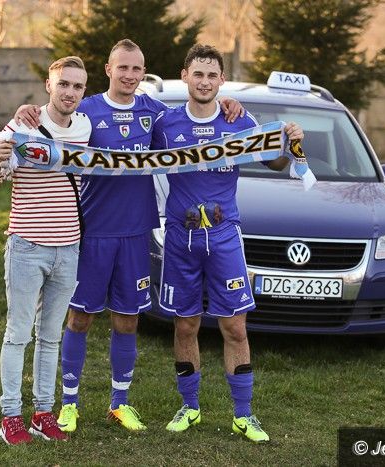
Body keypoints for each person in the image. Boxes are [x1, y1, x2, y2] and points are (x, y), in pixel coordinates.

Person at [14, 39, 244, 432]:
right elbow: (53, 120)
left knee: (127, 320)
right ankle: (69, 404)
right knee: (80, 318)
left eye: (137, 69)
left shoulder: (155, 113)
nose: (130, 75)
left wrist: (229, 104)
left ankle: (120, 402)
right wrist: (27, 111)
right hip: (92, 231)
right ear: (108, 70)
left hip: (137, 232)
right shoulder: (86, 110)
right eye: (123, 68)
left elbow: (192, 119)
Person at [150, 44, 303, 443]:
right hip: (181, 238)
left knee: (234, 327)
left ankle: (243, 415)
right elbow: (125, 154)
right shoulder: (164, 124)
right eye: (197, 74)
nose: (204, 82)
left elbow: (275, 162)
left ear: (222, 80)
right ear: (185, 76)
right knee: (185, 325)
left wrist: (289, 142)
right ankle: (189, 407)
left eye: (211, 75)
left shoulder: (238, 119)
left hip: (223, 237)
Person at [0, 56, 92, 445]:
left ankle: (43, 414)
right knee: (18, 334)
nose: (70, 92)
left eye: (77, 86)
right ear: (49, 85)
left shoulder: (85, 128)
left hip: (68, 248)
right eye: (64, 84)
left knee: (51, 336)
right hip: (27, 246)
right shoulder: (21, 126)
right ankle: (10, 416)